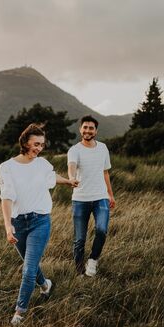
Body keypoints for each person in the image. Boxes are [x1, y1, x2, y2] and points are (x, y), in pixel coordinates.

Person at [0, 123, 78, 325]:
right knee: (29, 264)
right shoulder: (6, 167)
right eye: (36, 144)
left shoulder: (42, 164)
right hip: (18, 223)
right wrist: (8, 226)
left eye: (42, 145)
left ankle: (19, 313)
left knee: (28, 269)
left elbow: (51, 177)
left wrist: (68, 181)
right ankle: (45, 285)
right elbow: (6, 198)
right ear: (25, 142)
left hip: (40, 221)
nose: (39, 148)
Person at [67, 115, 115, 277]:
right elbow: (72, 166)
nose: (88, 130)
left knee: (101, 230)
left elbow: (105, 172)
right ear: (81, 129)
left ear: (96, 131)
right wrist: (72, 178)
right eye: (85, 127)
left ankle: (93, 260)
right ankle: (80, 272)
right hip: (80, 199)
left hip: (101, 197)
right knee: (79, 239)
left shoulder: (103, 148)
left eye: (91, 128)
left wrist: (110, 194)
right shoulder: (74, 150)